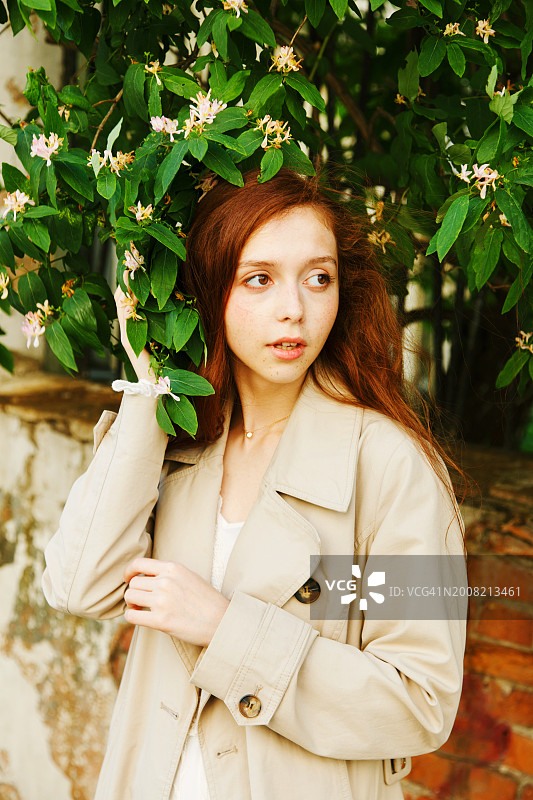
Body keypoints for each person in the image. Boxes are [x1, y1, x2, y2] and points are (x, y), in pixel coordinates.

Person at [42, 166, 467, 800]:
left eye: (318, 278)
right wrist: (149, 385)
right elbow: (80, 585)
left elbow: (419, 701)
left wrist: (226, 629)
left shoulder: (388, 465)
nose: (294, 309)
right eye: (259, 279)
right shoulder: (180, 443)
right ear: (209, 288)